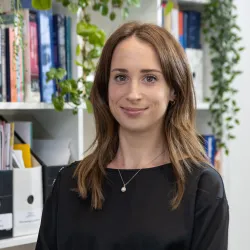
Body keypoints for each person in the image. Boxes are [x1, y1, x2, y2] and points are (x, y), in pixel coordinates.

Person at [35, 21, 229, 250]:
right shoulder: (69, 182)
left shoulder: (202, 187)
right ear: (105, 88)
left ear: (174, 90)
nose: (133, 94)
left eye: (150, 78)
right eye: (120, 77)